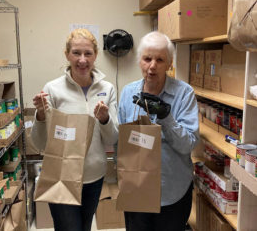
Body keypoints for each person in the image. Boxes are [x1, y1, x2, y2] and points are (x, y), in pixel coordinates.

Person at [31, 28, 118, 231]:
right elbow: (40, 143)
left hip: (94, 176)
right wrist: (41, 116)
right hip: (61, 176)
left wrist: (105, 119)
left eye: (88, 53)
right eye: (76, 53)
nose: (82, 60)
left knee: (85, 227)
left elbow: (112, 137)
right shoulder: (53, 89)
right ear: (67, 54)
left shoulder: (107, 89)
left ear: (96, 55)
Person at [118, 31, 200, 231]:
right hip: (135, 188)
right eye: (147, 58)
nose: (152, 66)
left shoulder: (184, 94)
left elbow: (188, 144)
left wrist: (166, 117)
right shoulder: (128, 93)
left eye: (160, 60)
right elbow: (120, 142)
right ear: (139, 61)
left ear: (170, 63)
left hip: (172, 190)